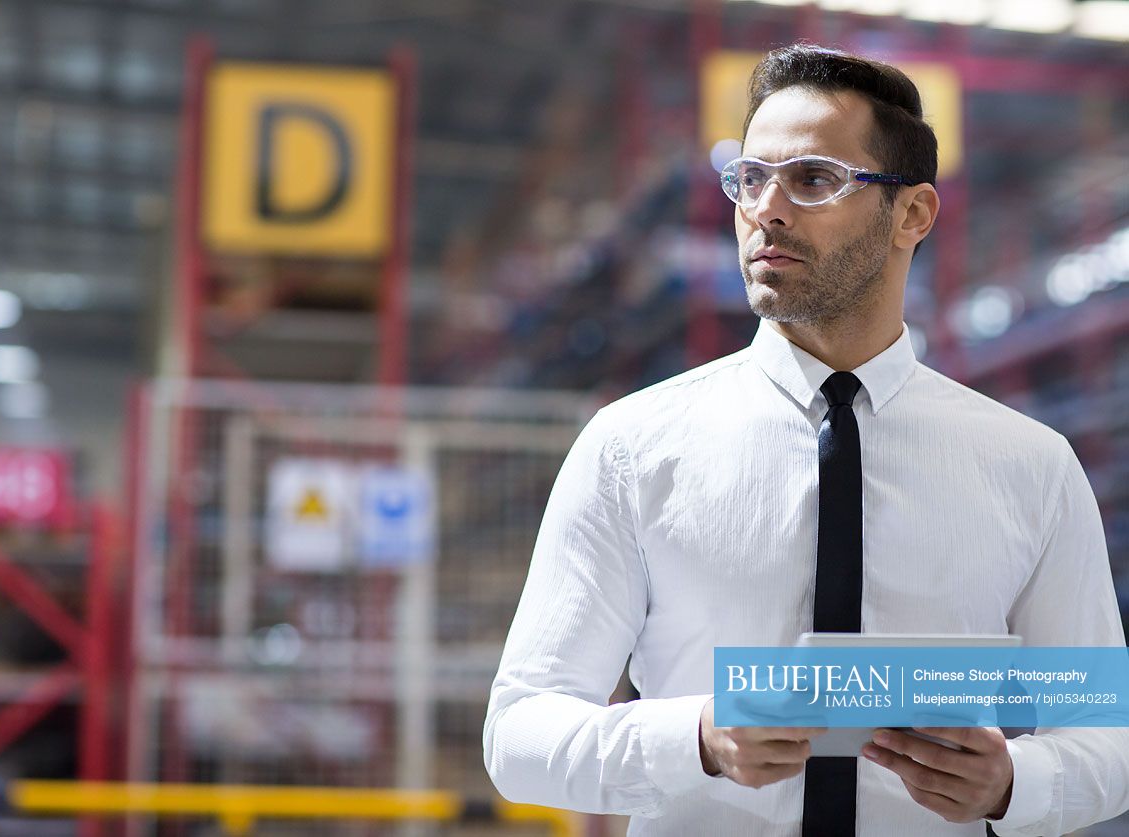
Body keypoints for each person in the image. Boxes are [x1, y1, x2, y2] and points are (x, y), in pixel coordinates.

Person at [483, 44, 1129, 836]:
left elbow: (1107, 735)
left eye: (813, 180)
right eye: (750, 178)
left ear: (913, 214)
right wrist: (694, 739)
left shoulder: (1029, 468)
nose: (767, 209)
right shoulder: (630, 449)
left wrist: (1012, 783)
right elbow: (518, 732)